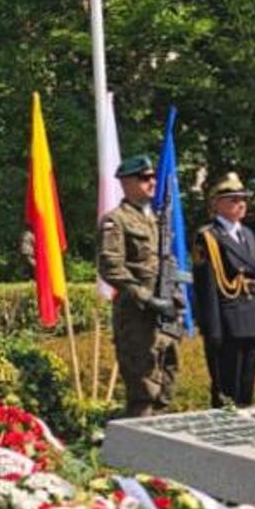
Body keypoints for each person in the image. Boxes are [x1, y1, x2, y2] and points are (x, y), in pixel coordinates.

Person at [98, 154, 183, 417]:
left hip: (165, 313)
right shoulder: (116, 220)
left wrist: (175, 298)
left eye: (153, 177)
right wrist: (147, 299)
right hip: (137, 315)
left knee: (166, 380)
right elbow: (111, 267)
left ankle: (159, 450)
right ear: (127, 183)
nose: (152, 182)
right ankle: (137, 453)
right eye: (145, 178)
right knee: (143, 386)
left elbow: (166, 262)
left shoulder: (156, 220)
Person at [192, 173, 255, 408]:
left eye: (243, 199)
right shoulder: (208, 237)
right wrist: (213, 329)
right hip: (228, 321)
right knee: (227, 390)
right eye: (233, 199)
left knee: (247, 388)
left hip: (252, 317)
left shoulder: (248, 234)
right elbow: (207, 287)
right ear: (216, 204)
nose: (241, 204)